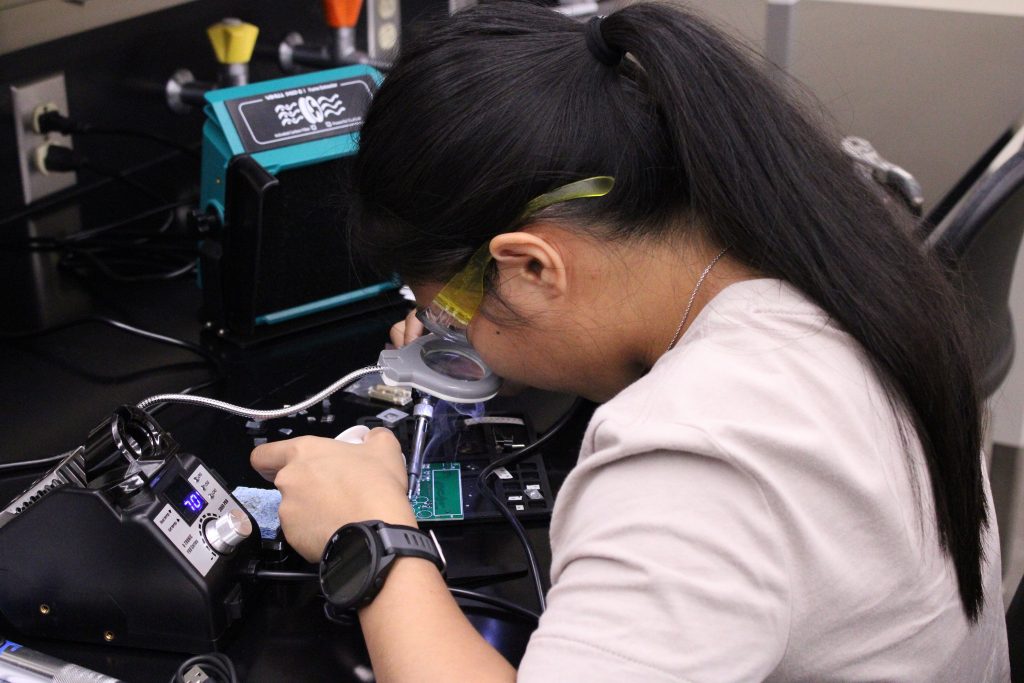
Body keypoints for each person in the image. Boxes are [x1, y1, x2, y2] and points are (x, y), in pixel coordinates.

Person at [249, 2, 1010, 680]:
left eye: (451, 318)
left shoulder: (692, 458)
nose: (453, 340)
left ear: (533, 266)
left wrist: (373, 536)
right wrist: (510, 327)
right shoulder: (828, 250)